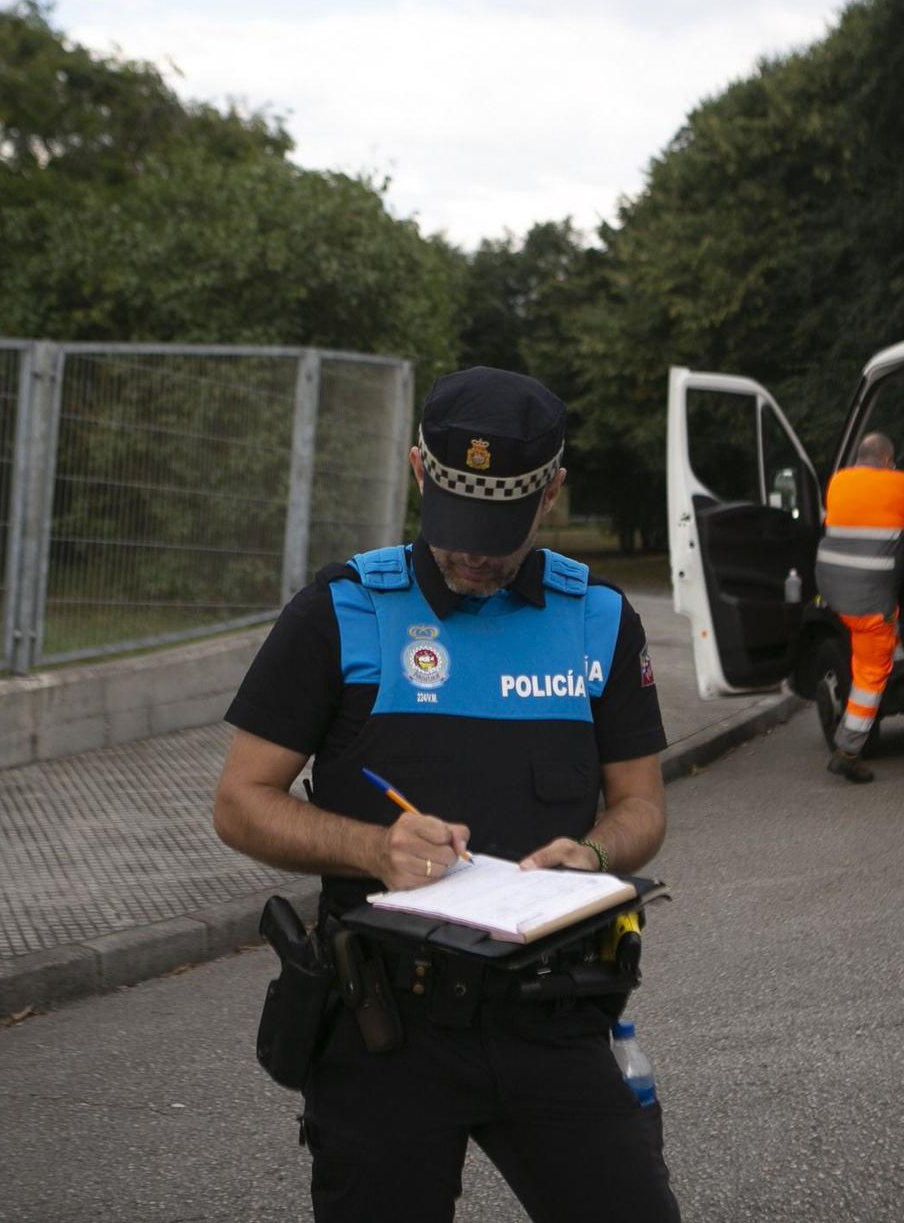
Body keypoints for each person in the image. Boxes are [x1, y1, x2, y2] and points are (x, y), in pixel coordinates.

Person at [213, 366, 682, 1223]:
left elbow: (642, 806)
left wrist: (596, 852)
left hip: (554, 1013)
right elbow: (241, 800)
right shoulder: (341, 609)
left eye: (499, 531)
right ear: (420, 474)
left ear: (552, 496)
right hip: (386, 1025)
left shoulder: (600, 619)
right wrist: (370, 847)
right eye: (457, 523)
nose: (473, 552)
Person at [816, 432, 904, 783]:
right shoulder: (903, 483)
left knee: (883, 640)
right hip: (871, 603)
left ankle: (901, 658)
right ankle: (847, 751)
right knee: (869, 677)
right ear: (889, 463)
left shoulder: (837, 481)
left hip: (833, 593)